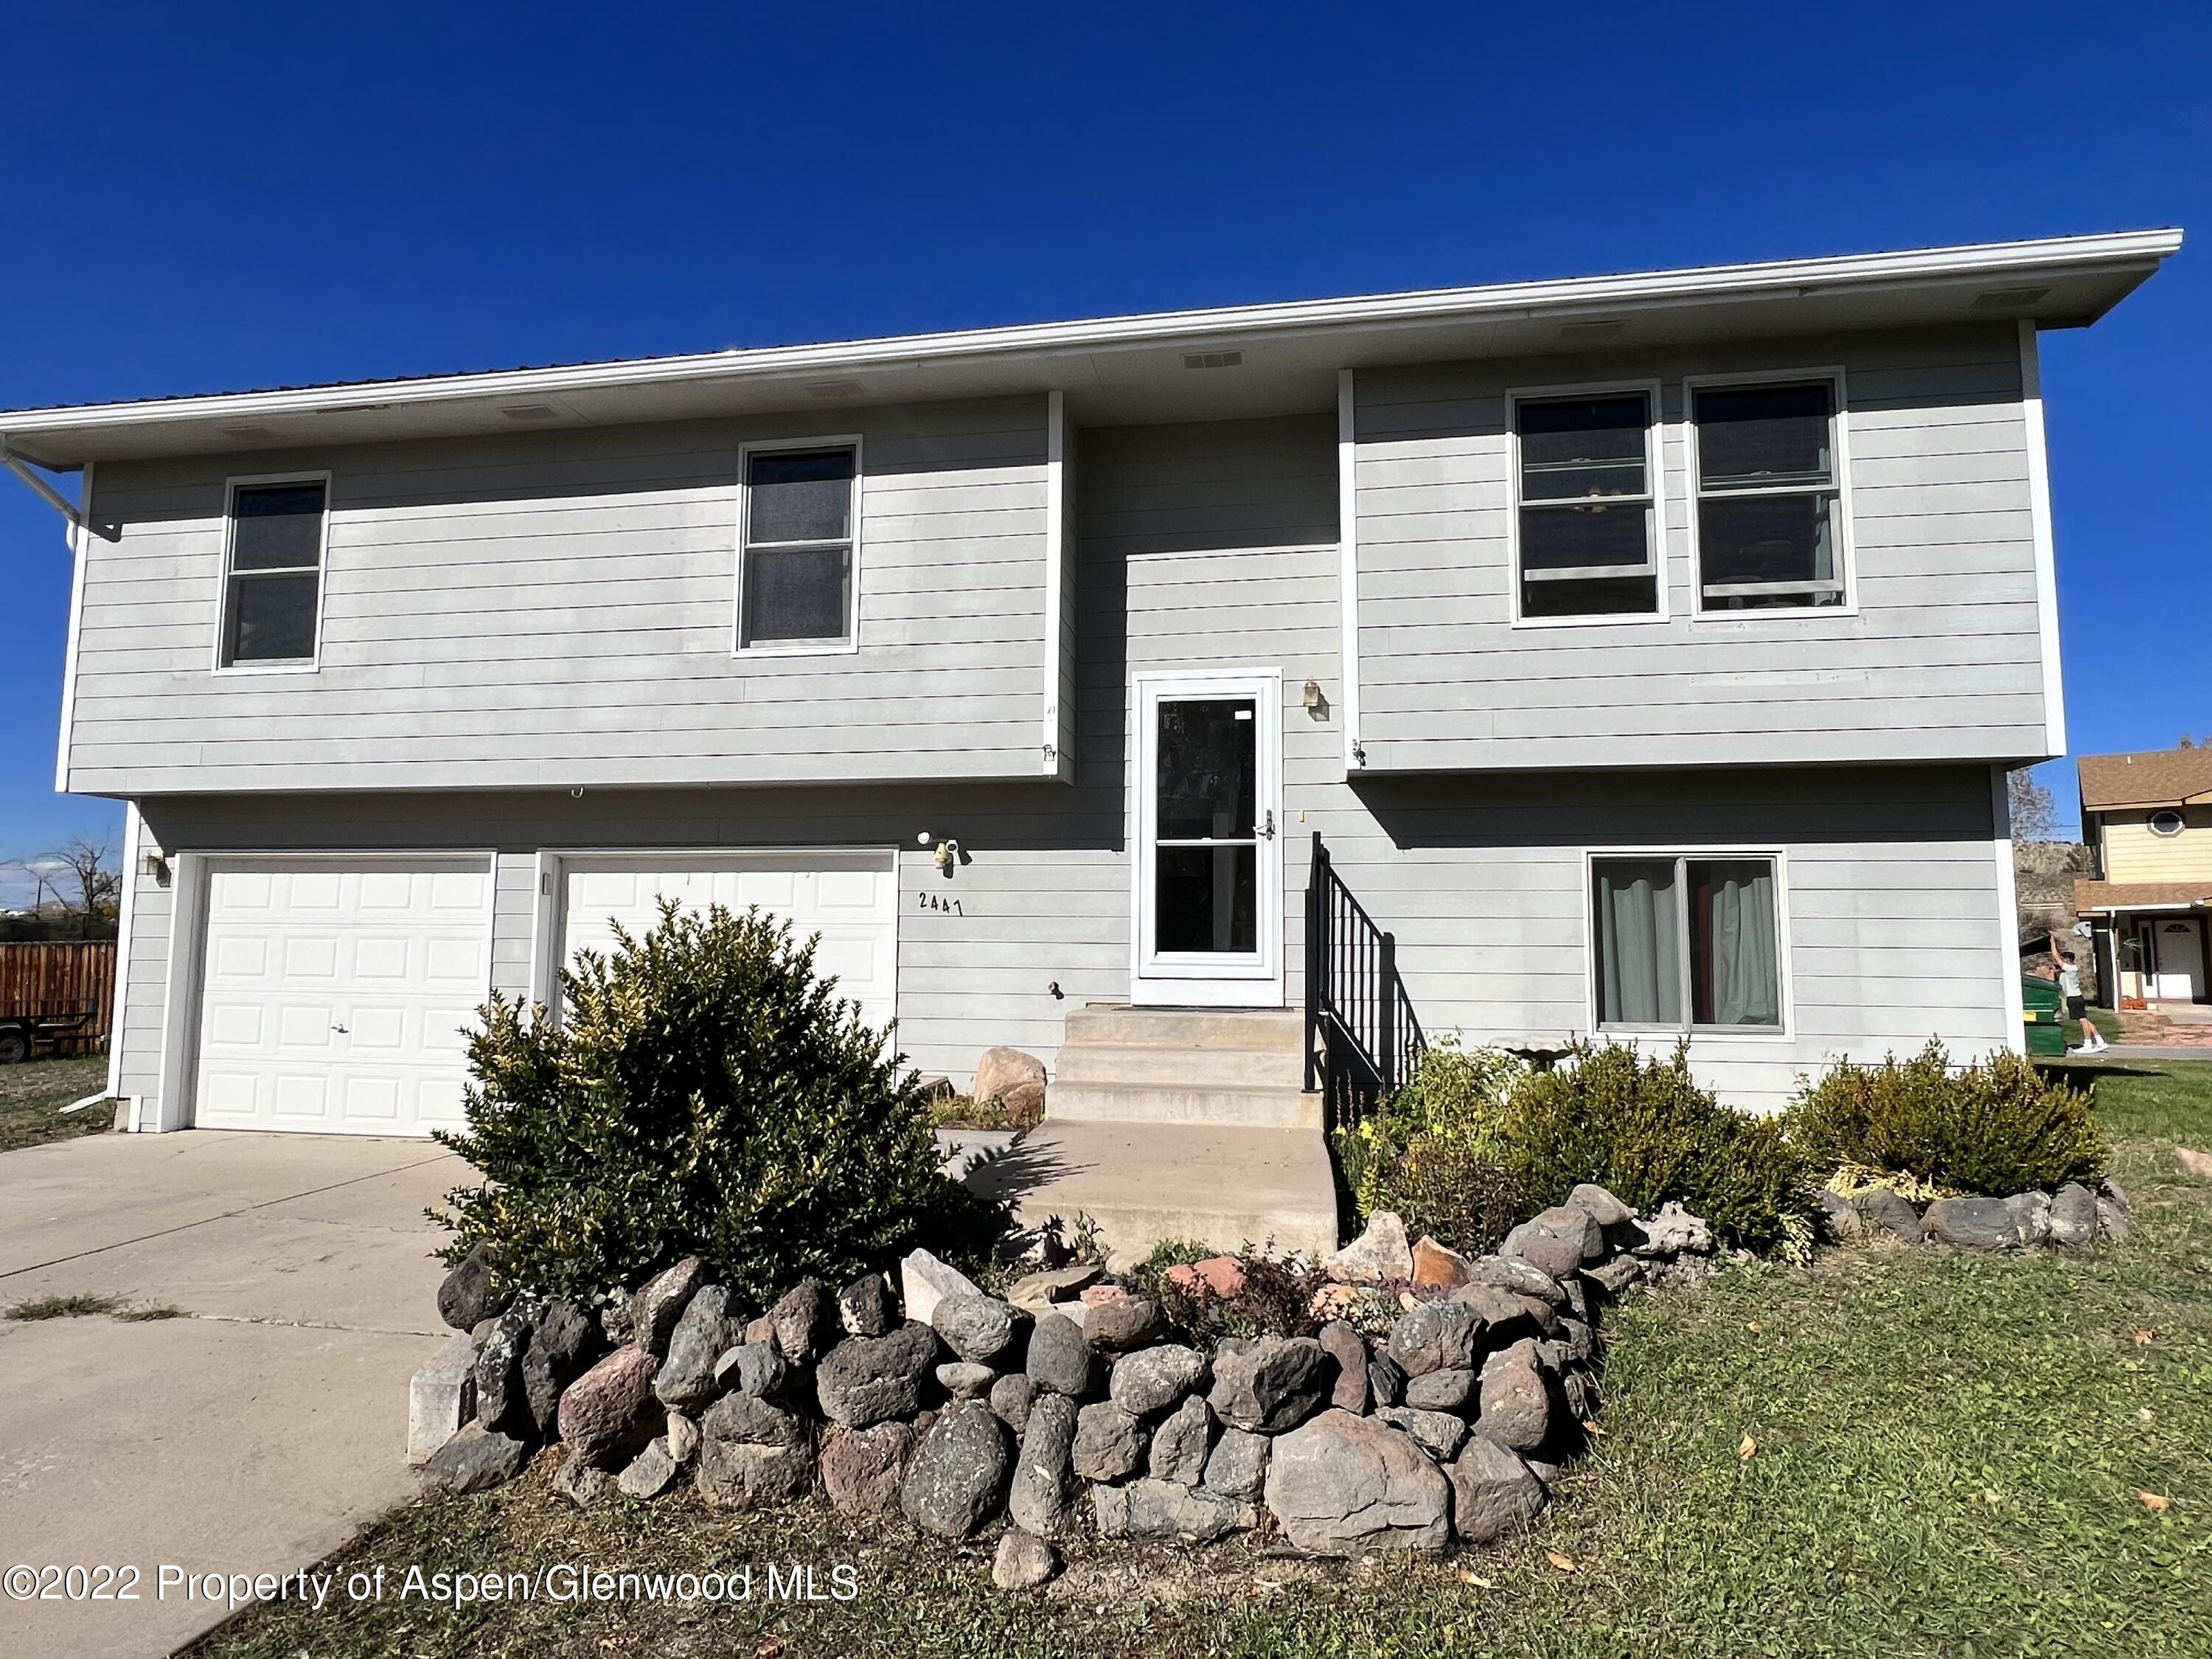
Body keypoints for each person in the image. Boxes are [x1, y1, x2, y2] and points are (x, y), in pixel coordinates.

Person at [2050, 940, 2109, 1054]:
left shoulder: (2070, 969)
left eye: (2063, 959)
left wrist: (2052, 942)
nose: (2060, 961)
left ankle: (2088, 1044)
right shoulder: (2066, 971)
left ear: (2067, 960)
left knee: (2082, 1021)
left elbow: (2055, 955)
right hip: (2075, 998)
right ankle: (2100, 1041)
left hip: (2074, 998)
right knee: (2085, 1020)